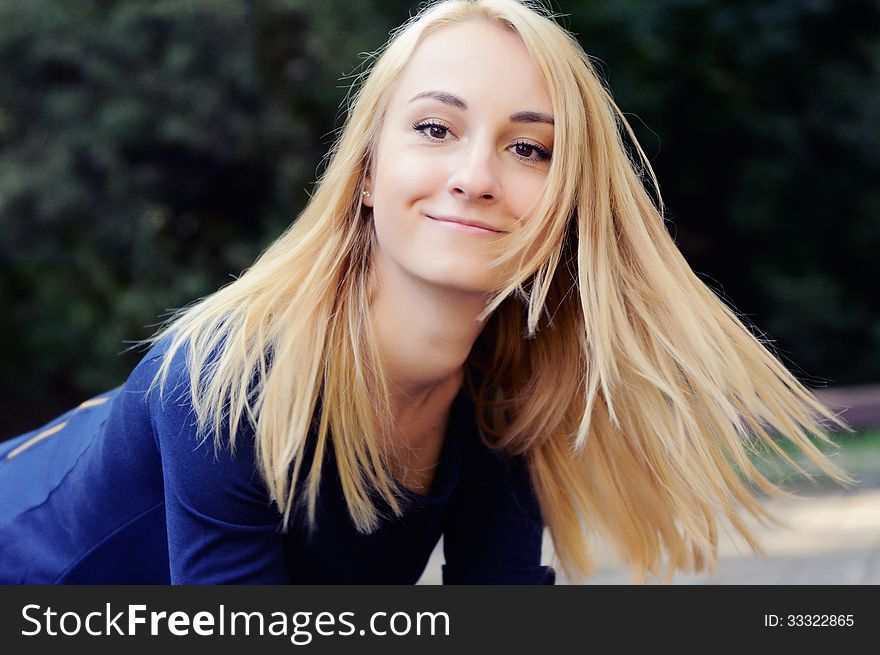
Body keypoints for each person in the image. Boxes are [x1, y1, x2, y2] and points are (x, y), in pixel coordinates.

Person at [0, 0, 853, 584]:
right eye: (436, 129)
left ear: (565, 207)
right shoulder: (223, 374)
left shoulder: (496, 403)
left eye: (531, 149)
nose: (477, 176)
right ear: (369, 171)